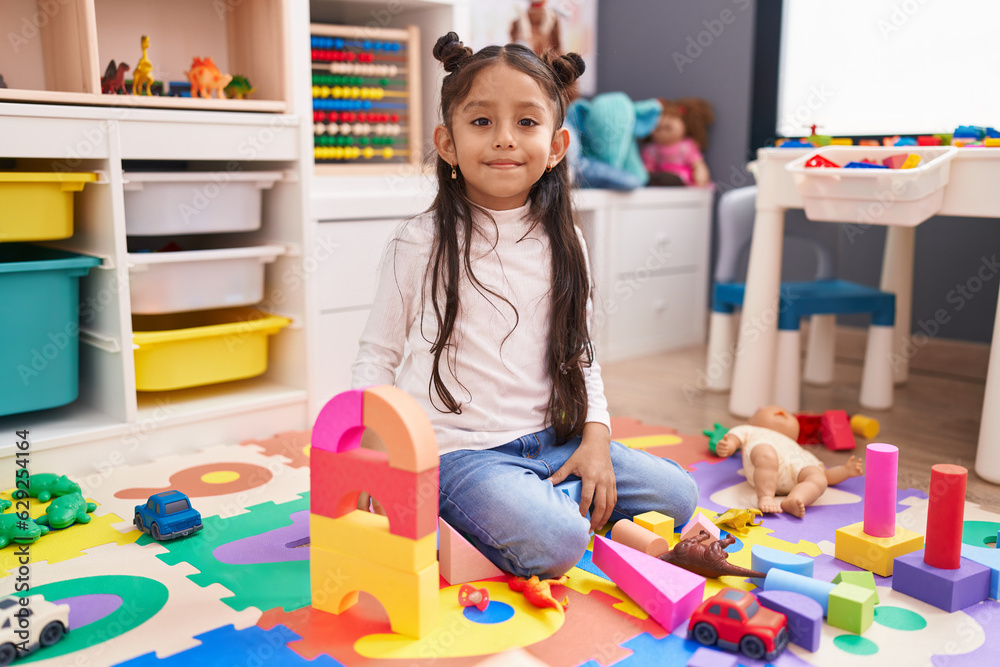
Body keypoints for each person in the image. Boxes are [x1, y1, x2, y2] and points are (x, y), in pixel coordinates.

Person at [350, 32, 699, 579]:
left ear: (557, 145)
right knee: (557, 543)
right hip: (461, 457)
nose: (505, 140)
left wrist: (596, 441)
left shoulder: (566, 241)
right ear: (447, 142)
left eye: (527, 122)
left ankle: (539, 505)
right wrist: (374, 459)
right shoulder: (418, 241)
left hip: (553, 444)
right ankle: (516, 511)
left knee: (679, 495)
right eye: (482, 121)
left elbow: (581, 356)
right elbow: (377, 356)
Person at [715, 405, 864, 518]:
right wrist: (728, 446)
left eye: (788, 414)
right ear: (752, 419)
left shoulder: (797, 449)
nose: (781, 411)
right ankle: (766, 496)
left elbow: (827, 475)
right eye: (772, 409)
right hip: (764, 460)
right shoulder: (752, 430)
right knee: (766, 454)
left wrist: (845, 471)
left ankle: (795, 499)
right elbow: (735, 438)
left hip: (797, 468)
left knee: (818, 478)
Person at [641, 97, 714, 187]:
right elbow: (648, 168)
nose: (662, 132)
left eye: (668, 128)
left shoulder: (685, 147)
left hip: (680, 178)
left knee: (670, 179)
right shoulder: (652, 149)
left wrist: (700, 180)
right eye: (658, 128)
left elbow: (698, 165)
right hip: (659, 179)